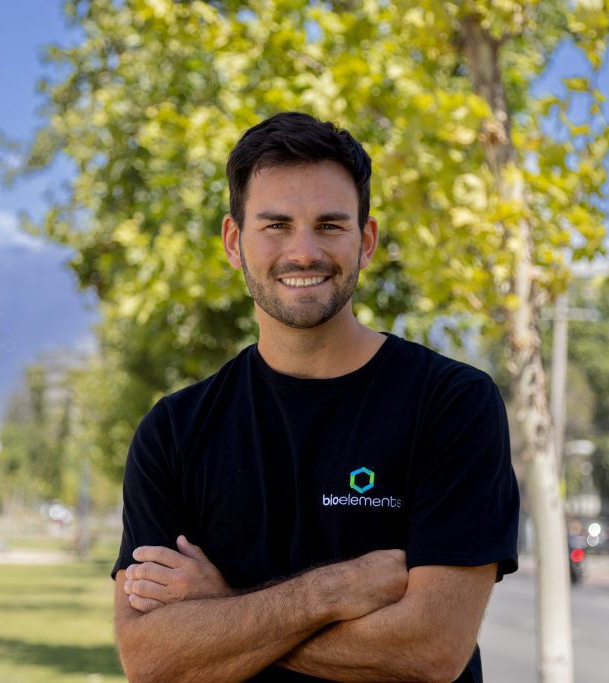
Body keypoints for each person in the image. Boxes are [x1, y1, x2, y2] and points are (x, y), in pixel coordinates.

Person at [112, 112, 519, 682]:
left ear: (366, 241)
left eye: (330, 225)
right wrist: (336, 591)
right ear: (234, 242)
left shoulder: (451, 403)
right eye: (275, 224)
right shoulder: (173, 432)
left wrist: (222, 608)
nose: (303, 252)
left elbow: (432, 648)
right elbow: (150, 659)